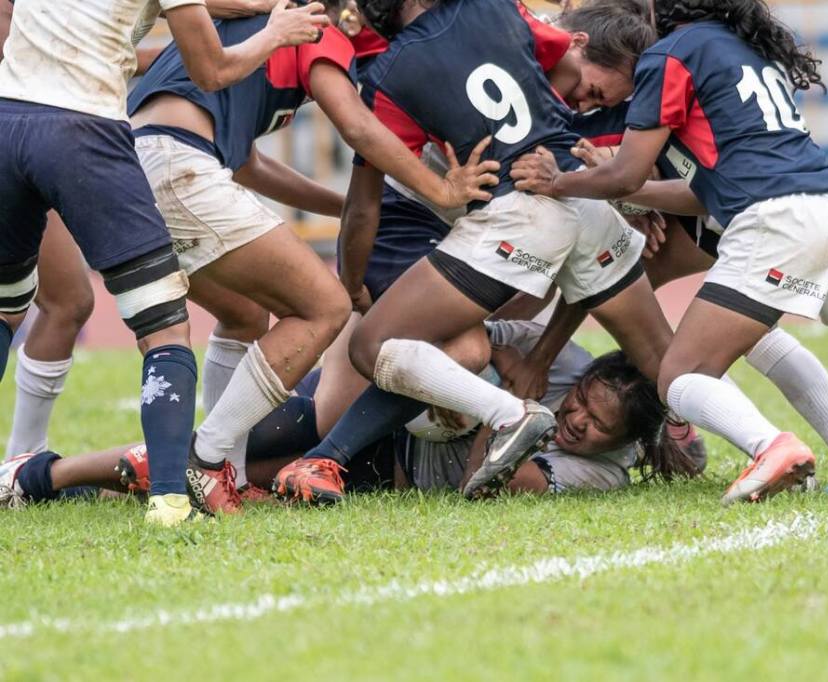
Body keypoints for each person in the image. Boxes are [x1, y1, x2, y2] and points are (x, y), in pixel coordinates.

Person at [511, 0, 828, 503]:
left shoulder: (667, 56)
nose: (587, 97)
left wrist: (563, 183)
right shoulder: (740, 47)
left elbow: (627, 172)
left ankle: (772, 447)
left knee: (682, 374)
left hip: (775, 220)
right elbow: (700, 188)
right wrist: (625, 190)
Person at [270, 0, 683, 504]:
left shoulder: (390, 73)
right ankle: (761, 441)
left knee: (373, 348)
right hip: (556, 196)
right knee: (666, 361)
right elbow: (566, 62)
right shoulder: (495, 9)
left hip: (516, 214)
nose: (584, 105)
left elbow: (363, 203)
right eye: (590, 95)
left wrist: (351, 282)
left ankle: (493, 414)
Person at [123, 0, 500, 515]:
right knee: (325, 306)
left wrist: (343, 207)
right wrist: (441, 187)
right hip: (179, 165)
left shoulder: (240, 22)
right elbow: (358, 128)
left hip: (139, 167)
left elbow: (248, 165)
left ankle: (222, 469)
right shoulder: (310, 27)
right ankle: (206, 455)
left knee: (245, 314)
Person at [0, 0, 331, 526]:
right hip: (83, 130)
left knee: (11, 310)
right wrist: (276, 31)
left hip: (8, 118)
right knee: (165, 328)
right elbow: (213, 70)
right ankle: (176, 496)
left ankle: (20, 465)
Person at [0, 320, 702, 508]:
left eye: (592, 424)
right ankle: (36, 477)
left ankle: (52, 479)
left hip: (388, 470)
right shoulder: (570, 364)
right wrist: (475, 383)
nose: (575, 419)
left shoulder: (603, 475)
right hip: (364, 415)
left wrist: (493, 416)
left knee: (212, 480)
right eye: (579, 404)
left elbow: (495, 483)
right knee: (203, 460)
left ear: (619, 443)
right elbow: (476, 337)